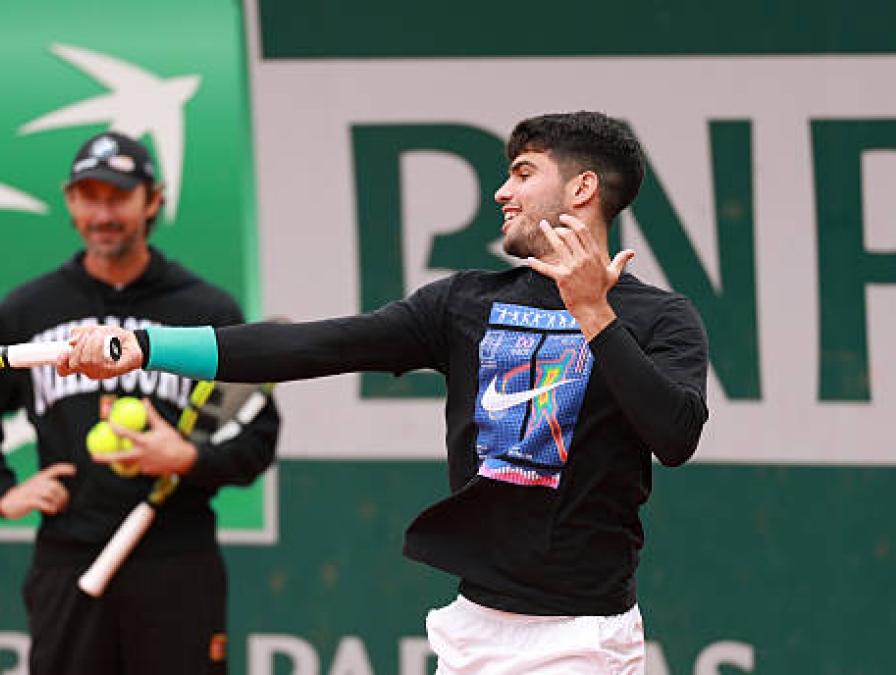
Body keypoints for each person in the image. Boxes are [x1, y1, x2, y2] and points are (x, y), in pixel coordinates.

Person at [58, 112, 710, 674]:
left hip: (581, 638)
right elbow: (316, 345)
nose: (501, 192)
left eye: (522, 172)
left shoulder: (661, 318)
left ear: (583, 187)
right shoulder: (465, 302)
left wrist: (594, 312)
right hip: (474, 626)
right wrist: (147, 345)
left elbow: (675, 435)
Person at [0, 130, 280, 675]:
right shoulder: (30, 308)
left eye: (118, 196)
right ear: (70, 202)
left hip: (177, 562)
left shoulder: (205, 309)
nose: (103, 213)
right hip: (69, 559)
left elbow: (258, 435)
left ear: (153, 200)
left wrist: (187, 459)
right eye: (89, 196)